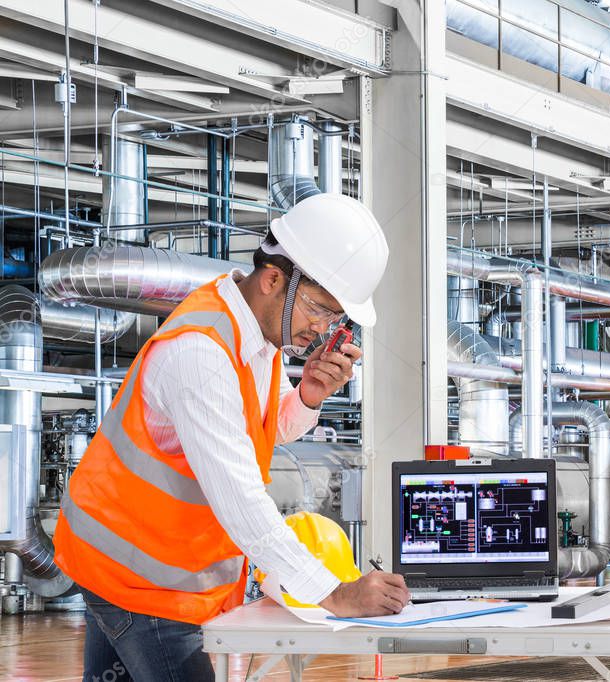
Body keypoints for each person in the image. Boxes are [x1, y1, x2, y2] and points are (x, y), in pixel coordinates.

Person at [53, 193, 408, 682]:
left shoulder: (257, 338)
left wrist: (309, 394)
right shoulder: (202, 353)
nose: (324, 330)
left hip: (130, 563)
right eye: (321, 310)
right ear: (273, 279)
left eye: (335, 318)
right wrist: (334, 592)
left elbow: (263, 428)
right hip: (144, 579)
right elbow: (240, 498)